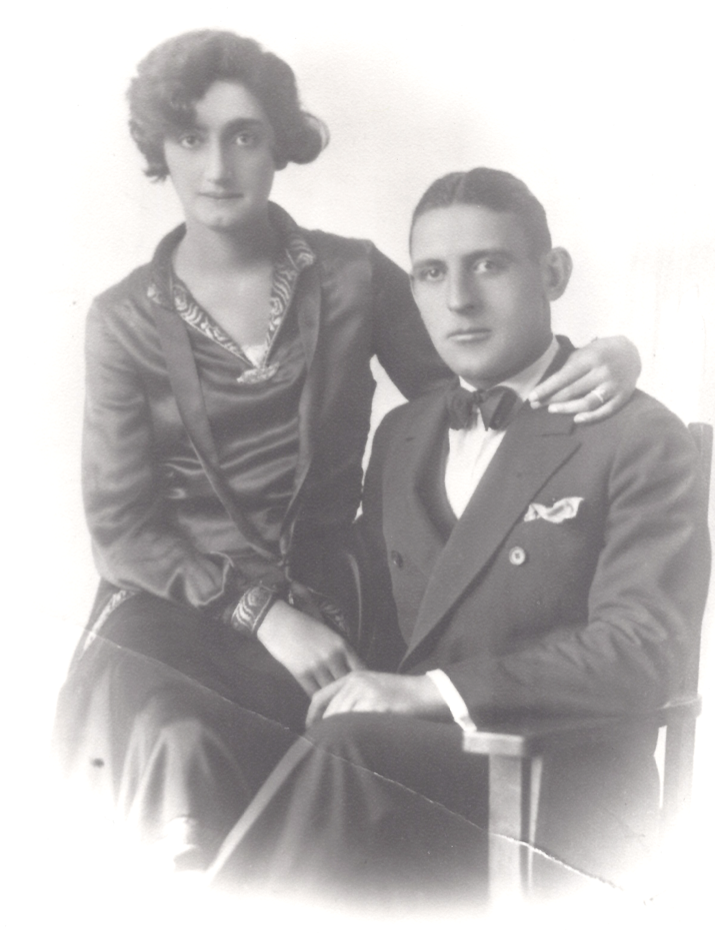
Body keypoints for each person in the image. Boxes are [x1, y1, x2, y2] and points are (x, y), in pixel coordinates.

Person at [53, 33, 641, 872]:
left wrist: (612, 353)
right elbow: (121, 530)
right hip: (176, 618)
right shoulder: (121, 319)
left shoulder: (351, 276)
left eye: (244, 136)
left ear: (279, 145)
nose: (217, 167)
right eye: (190, 138)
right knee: (175, 742)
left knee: (334, 759)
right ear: (161, 150)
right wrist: (263, 617)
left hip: (337, 607)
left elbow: (477, 383)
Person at [206, 168, 710, 907]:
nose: (459, 300)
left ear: (553, 273)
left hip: (555, 787)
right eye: (432, 273)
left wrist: (430, 693)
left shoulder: (635, 435)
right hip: (410, 779)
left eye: (489, 265)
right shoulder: (404, 433)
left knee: (346, 753)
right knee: (216, 727)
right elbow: (370, 611)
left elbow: (644, 648)